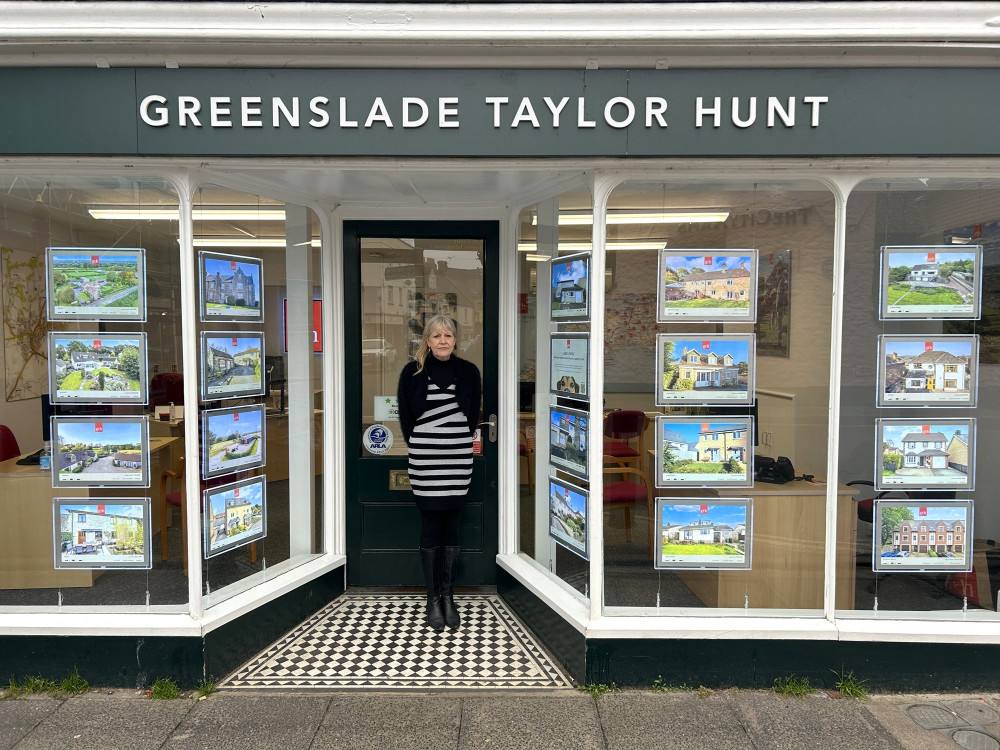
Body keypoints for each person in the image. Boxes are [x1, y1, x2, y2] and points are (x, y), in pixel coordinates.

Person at [397, 314, 482, 631]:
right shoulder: (412, 373)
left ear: (456, 339)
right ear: (427, 341)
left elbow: (472, 416)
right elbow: (406, 418)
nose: (442, 340)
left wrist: (455, 440)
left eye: (448, 335)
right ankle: (433, 600)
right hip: (425, 461)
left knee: (453, 528)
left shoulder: (470, 373)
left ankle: (449, 597)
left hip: (457, 461)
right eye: (436, 336)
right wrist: (422, 443)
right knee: (431, 527)